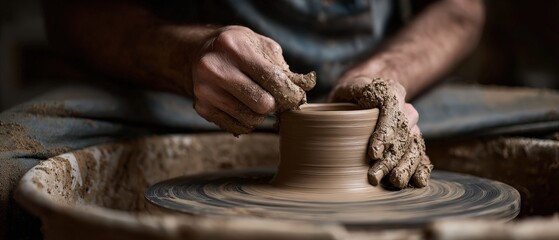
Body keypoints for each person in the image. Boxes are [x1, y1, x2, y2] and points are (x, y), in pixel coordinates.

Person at [0, 0, 484, 238]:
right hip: (184, 85)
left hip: (386, 100)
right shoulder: (186, 64)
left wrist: (384, 75)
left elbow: (461, 9)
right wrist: (185, 54)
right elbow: (71, 12)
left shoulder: (384, 84)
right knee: (7, 167)